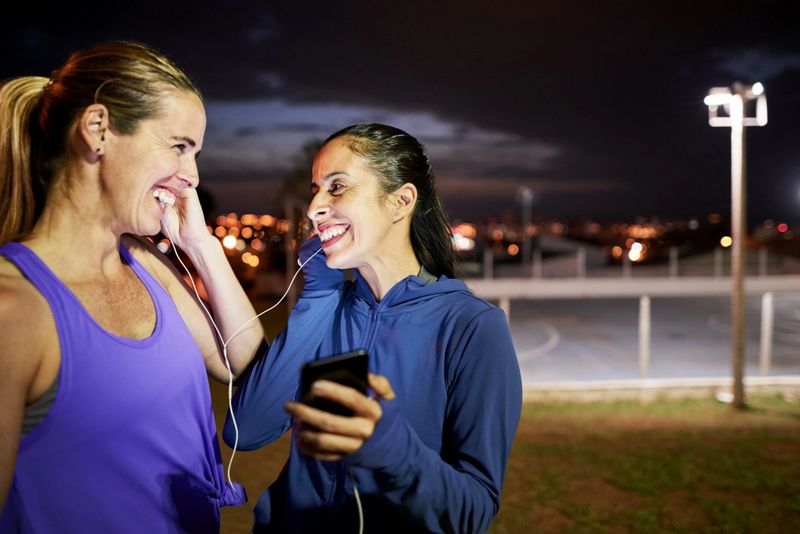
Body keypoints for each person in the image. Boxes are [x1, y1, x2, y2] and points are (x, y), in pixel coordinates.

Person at [0, 41, 265, 532]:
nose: (192, 176)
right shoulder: (14, 310)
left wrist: (201, 246)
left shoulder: (145, 262)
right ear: (97, 129)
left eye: (196, 153)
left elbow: (244, 365)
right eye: (179, 146)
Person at [226, 123, 522, 533]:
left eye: (337, 187)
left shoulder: (473, 327)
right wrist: (319, 297)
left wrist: (392, 450)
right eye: (315, 190)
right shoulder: (327, 311)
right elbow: (246, 431)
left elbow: (472, 514)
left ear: (401, 201)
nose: (314, 209)